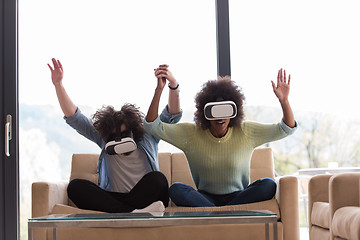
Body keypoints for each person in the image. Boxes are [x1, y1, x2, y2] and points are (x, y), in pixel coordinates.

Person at [144, 68, 297, 207]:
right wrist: (159, 90)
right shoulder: (190, 134)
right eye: (214, 111)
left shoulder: (246, 131)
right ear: (205, 112)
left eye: (225, 110)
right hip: (205, 197)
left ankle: (219, 211)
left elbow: (286, 129)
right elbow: (152, 126)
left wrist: (284, 101)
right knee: (176, 189)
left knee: (268, 184)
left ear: (234, 111)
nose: (220, 117)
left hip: (240, 195)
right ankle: (223, 211)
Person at [47, 58, 182, 213]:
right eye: (113, 136)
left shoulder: (147, 135)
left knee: (158, 179)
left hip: (145, 197)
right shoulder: (104, 139)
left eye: (124, 134)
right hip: (116, 198)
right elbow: (75, 118)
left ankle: (123, 212)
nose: (119, 140)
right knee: (75, 186)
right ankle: (131, 213)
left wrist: (173, 85)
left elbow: (172, 115)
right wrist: (58, 85)